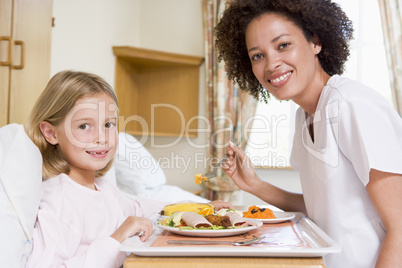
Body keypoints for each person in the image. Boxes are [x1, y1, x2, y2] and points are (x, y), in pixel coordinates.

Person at [214, 1, 402, 268]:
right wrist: (254, 185)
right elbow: (320, 208)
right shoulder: (305, 116)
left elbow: (400, 227)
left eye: (282, 45)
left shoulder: (352, 105)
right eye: (258, 55)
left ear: (315, 42)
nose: (271, 64)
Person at [25, 70, 232, 267]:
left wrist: (196, 208)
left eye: (108, 125)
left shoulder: (101, 186)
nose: (102, 137)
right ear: (51, 133)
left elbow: (139, 209)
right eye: (84, 126)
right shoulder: (59, 199)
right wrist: (118, 237)